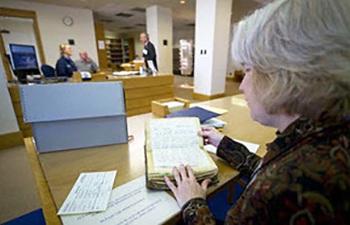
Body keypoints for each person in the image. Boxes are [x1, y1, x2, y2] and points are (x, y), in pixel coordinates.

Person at [164, 0, 350, 223]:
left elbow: (272, 180)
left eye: (249, 70)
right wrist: (224, 144)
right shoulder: (321, 137)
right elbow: (265, 168)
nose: (241, 86)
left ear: (286, 75)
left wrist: (192, 202)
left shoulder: (286, 187)